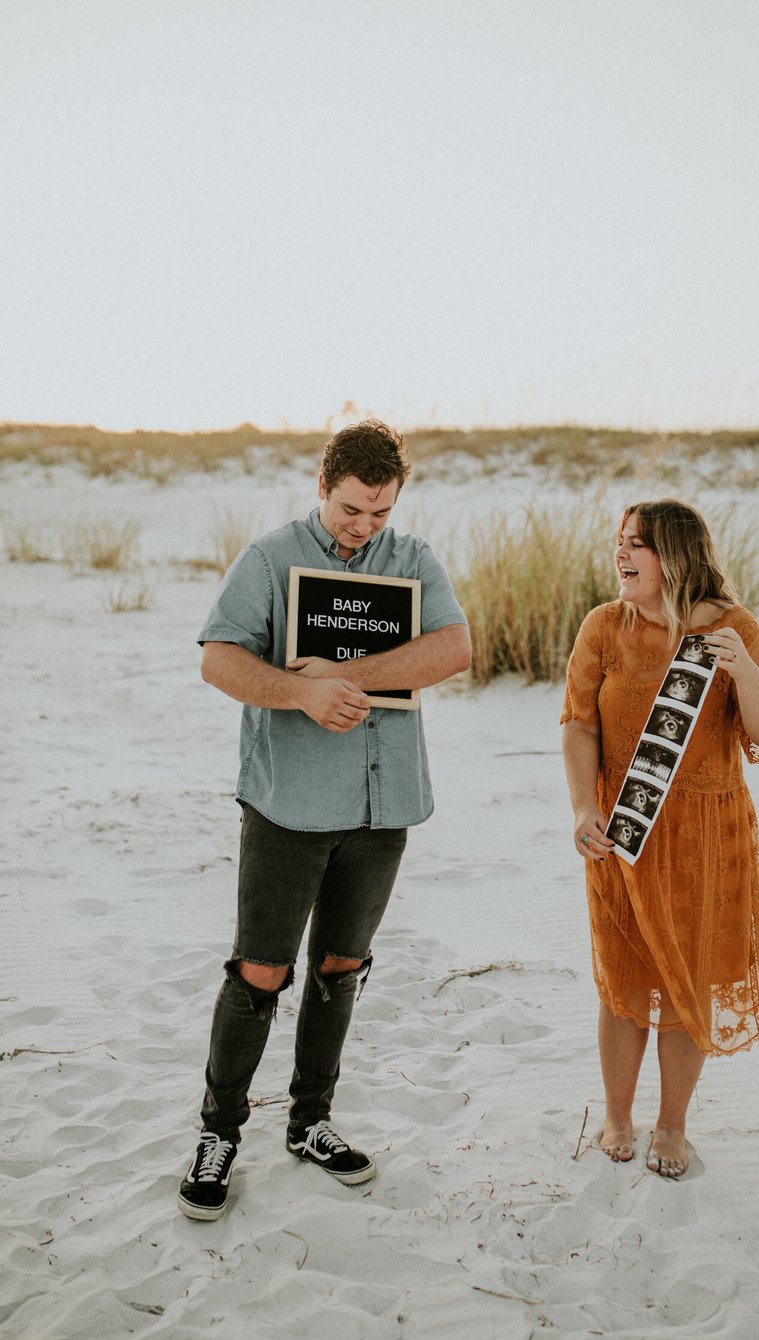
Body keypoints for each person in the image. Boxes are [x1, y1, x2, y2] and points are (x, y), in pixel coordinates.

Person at [177, 420, 471, 1220]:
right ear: (322, 486)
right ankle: (219, 1133)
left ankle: (311, 1123)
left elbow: (453, 648)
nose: (363, 526)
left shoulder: (411, 562)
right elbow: (218, 658)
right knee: (260, 972)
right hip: (290, 805)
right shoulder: (271, 558)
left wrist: (347, 675)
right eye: (351, 510)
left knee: (343, 967)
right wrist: (301, 691)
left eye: (379, 512)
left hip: (384, 806)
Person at [560, 498, 759, 1179]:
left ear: (676, 554)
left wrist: (743, 668)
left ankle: (671, 1125)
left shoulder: (732, 628)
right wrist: (583, 809)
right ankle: (616, 1116)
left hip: (706, 837)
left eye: (636, 543)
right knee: (623, 981)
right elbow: (578, 724)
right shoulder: (604, 627)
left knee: (686, 980)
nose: (621, 554)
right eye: (619, 541)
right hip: (622, 831)